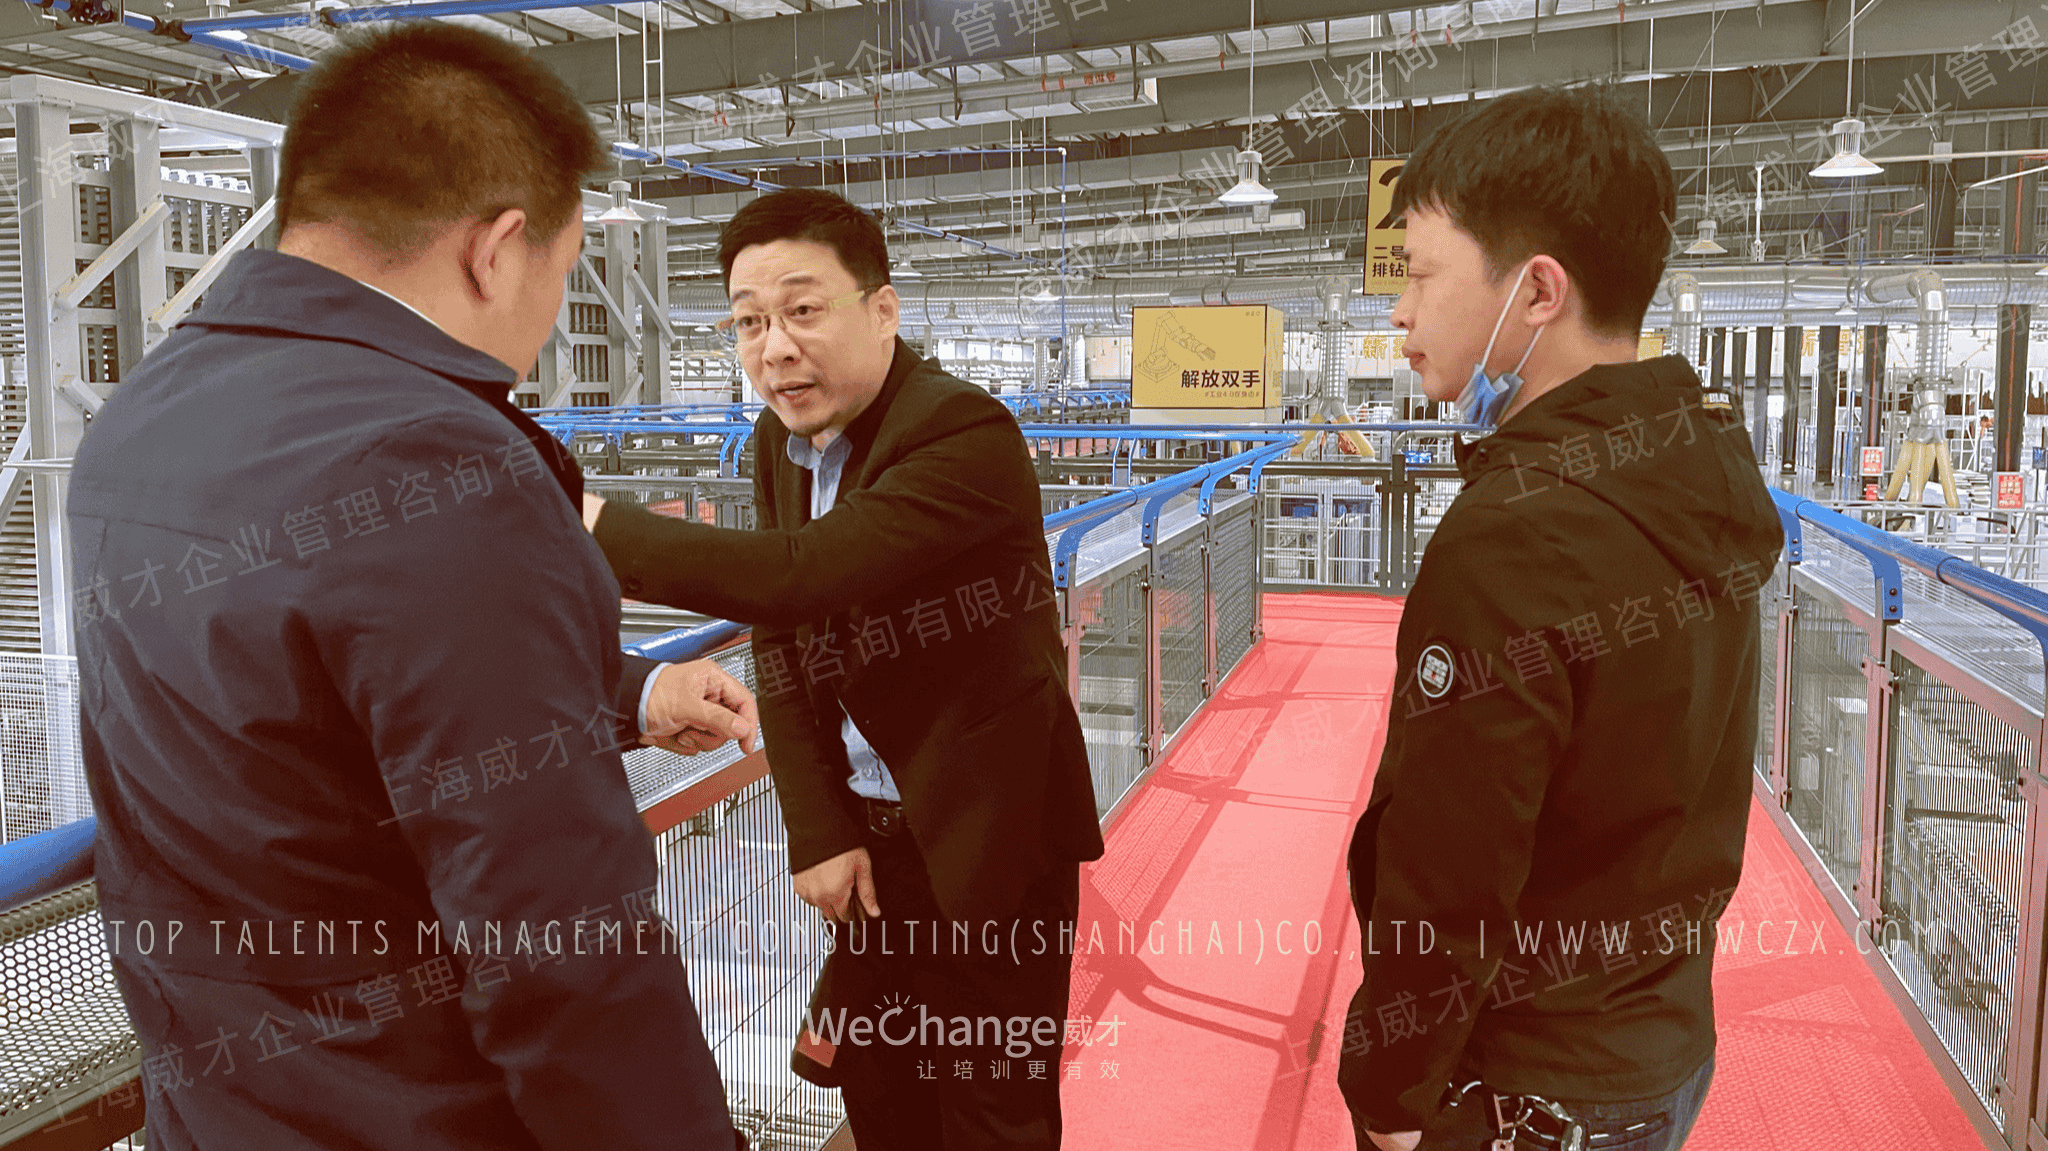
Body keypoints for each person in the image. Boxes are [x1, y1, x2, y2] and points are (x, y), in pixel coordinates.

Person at [68, 25, 755, 1150]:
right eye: (561, 275)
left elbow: (299, 697)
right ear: (497, 250)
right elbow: (562, 948)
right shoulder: (442, 462)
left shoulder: (136, 419)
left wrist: (624, 691)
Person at [582, 187, 1105, 1149]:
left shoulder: (963, 433)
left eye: (802, 310)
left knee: (992, 1109)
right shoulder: (778, 446)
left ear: (883, 309)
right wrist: (818, 828)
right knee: (881, 1093)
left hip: (988, 836)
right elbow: (781, 638)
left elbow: (801, 573)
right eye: (749, 322)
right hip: (870, 841)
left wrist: (585, 521)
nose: (774, 348)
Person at [1338, 86, 1785, 1151]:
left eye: (1421, 275)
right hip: (1656, 1042)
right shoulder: (1696, 469)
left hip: (1524, 1087)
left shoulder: (1516, 532)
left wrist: (1390, 1098)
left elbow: (1451, 866)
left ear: (1537, 291)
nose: (1397, 311)